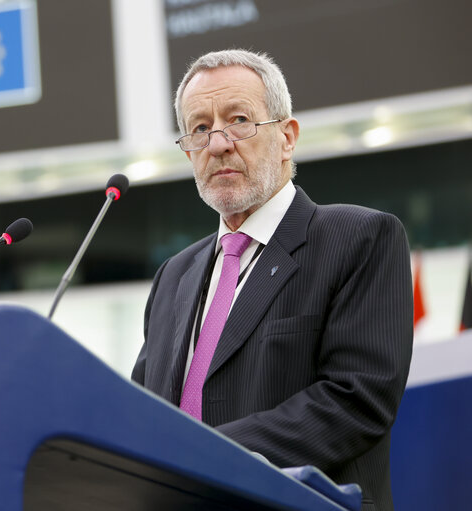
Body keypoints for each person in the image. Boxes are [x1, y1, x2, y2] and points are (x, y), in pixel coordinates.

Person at [131, 49, 412, 511]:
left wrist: (199, 457)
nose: (218, 143)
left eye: (238, 119)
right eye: (199, 128)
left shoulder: (359, 238)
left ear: (287, 137)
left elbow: (357, 400)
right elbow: (145, 415)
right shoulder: (173, 276)